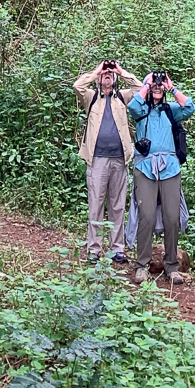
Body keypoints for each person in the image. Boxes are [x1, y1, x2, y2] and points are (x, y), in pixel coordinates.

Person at [127, 71, 194, 284]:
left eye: (159, 85)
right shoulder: (141, 110)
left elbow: (189, 107)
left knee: (172, 217)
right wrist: (147, 84)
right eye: (154, 84)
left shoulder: (170, 110)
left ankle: (171, 266)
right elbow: (132, 107)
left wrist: (171, 87)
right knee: (146, 215)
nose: (157, 87)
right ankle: (141, 265)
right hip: (145, 168)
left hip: (170, 168)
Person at [74, 59, 140, 263]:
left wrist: (120, 70)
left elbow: (140, 88)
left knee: (118, 205)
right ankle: (93, 250)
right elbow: (77, 85)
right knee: (96, 205)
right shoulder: (91, 97)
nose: (108, 75)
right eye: (105, 74)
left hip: (120, 159)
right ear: (99, 80)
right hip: (97, 159)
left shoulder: (123, 97)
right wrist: (97, 71)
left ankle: (116, 249)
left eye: (110, 74)